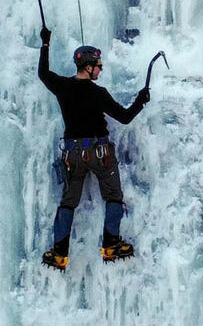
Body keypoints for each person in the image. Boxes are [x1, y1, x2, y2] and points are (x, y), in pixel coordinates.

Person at [38, 26, 149, 267]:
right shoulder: (99, 93)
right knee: (113, 196)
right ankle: (111, 244)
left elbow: (44, 74)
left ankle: (59, 253)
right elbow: (125, 116)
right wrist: (141, 100)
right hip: (100, 153)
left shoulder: (63, 87)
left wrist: (45, 44)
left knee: (68, 201)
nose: (100, 68)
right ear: (88, 66)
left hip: (72, 155)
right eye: (98, 65)